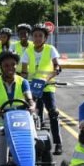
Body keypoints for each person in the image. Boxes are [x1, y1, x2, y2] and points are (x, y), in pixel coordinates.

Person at [20, 23, 63, 154]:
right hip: (33, 87)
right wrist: (23, 80)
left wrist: (46, 79)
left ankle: (58, 143)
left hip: (47, 87)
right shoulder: (28, 51)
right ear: (32, 37)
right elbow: (24, 70)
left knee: (53, 113)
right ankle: (32, 141)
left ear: (45, 38)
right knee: (32, 113)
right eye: (35, 36)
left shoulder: (51, 49)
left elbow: (57, 68)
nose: (37, 38)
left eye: (40, 36)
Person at [0, 51, 35, 166]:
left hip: (21, 119)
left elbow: (30, 100)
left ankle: (29, 164)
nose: (10, 68)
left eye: (13, 64)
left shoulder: (23, 82)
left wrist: (32, 106)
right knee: (5, 133)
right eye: (6, 65)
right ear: (1, 67)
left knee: (33, 136)